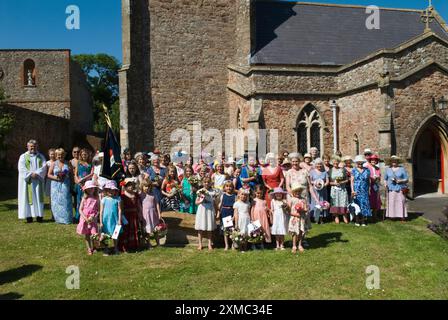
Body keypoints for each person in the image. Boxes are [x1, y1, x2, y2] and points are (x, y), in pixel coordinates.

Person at [18, 140, 47, 223]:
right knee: (27, 198)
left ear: (37, 146)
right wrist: (30, 174)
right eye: (31, 146)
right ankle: (29, 217)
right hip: (28, 182)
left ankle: (39, 216)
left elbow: (44, 167)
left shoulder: (41, 156)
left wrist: (37, 173)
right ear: (27, 147)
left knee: (38, 197)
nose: (32, 148)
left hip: (38, 180)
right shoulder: (23, 156)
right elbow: (21, 168)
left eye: (34, 146)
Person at [48, 148, 73, 224]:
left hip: (65, 184)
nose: (60, 156)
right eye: (58, 155)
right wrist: (56, 178)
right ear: (56, 155)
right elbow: (49, 174)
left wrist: (72, 183)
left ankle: (66, 219)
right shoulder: (53, 163)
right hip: (55, 185)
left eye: (62, 154)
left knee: (66, 200)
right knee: (56, 201)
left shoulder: (68, 163)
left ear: (64, 155)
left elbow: (71, 174)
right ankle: (58, 219)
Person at [99, 181, 124, 255]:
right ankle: (106, 249)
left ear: (115, 191)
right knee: (105, 235)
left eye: (112, 190)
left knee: (115, 235)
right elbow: (101, 211)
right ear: (106, 190)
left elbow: (119, 210)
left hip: (115, 220)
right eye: (109, 190)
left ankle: (115, 248)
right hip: (106, 220)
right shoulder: (104, 199)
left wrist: (119, 220)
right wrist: (100, 222)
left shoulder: (117, 199)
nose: (111, 191)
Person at [76, 181, 100, 255]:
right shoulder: (84, 198)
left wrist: (95, 217)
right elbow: (80, 209)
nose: (90, 190)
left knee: (94, 234)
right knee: (87, 234)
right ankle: (89, 248)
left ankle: (94, 247)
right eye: (89, 188)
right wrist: (85, 218)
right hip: (85, 219)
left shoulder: (96, 198)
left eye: (92, 188)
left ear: (94, 189)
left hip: (93, 219)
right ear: (86, 189)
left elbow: (98, 210)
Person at [195, 176, 218, 251]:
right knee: (200, 228)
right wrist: (200, 201)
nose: (206, 183)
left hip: (209, 210)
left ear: (210, 183)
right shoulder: (200, 191)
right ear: (202, 183)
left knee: (209, 228)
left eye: (208, 182)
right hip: (202, 210)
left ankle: (209, 244)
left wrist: (216, 212)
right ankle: (200, 244)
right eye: (205, 182)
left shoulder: (213, 191)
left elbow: (214, 203)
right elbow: (196, 202)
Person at [120, 179, 142, 252]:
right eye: (128, 185)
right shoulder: (123, 195)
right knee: (126, 230)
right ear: (125, 186)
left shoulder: (135, 194)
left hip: (134, 215)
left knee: (135, 229)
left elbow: (138, 205)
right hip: (126, 216)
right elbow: (121, 207)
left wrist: (140, 214)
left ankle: (135, 246)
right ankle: (125, 247)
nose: (130, 187)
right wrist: (122, 216)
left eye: (131, 185)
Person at [384, 155, 409, 221]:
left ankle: (402, 216)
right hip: (391, 189)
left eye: (395, 160)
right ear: (390, 162)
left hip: (400, 188)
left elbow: (406, 179)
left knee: (401, 202)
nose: (394, 162)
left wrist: (400, 180)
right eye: (392, 160)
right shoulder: (388, 169)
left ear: (398, 161)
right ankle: (392, 216)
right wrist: (385, 184)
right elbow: (385, 179)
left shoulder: (402, 169)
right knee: (392, 202)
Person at [351, 155, 372, 226]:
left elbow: (369, 181)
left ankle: (363, 220)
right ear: (356, 163)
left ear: (363, 162)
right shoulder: (353, 170)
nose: (359, 164)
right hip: (356, 190)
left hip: (364, 190)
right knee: (357, 205)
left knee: (364, 205)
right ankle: (357, 220)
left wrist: (369, 189)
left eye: (361, 163)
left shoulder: (367, 170)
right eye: (358, 163)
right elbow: (352, 181)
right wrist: (352, 190)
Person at [140, 178, 161, 248]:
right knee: (147, 231)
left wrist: (159, 214)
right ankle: (148, 244)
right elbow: (139, 205)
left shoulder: (153, 194)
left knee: (156, 230)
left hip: (153, 214)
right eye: (145, 186)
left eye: (148, 186)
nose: (147, 188)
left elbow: (157, 204)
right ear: (142, 186)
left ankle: (158, 243)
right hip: (145, 215)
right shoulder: (140, 195)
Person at [74, 149, 94, 222]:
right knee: (79, 200)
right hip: (80, 184)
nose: (84, 156)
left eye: (85, 154)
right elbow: (75, 174)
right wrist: (78, 181)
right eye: (82, 154)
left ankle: (86, 215)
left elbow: (92, 174)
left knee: (86, 199)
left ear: (88, 155)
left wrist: (83, 179)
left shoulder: (91, 163)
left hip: (87, 184)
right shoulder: (78, 163)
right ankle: (78, 216)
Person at [329, 155, 349, 224]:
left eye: (337, 162)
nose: (335, 163)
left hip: (342, 189)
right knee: (335, 202)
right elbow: (328, 182)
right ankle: (336, 216)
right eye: (334, 162)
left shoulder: (342, 170)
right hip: (334, 189)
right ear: (332, 162)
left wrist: (341, 182)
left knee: (343, 202)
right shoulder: (330, 171)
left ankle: (344, 216)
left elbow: (347, 180)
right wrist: (334, 184)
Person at [288, 184, 308, 253]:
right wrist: (295, 214)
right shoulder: (291, 200)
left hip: (301, 218)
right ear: (293, 192)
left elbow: (306, 209)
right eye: (296, 192)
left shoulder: (303, 199)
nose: (297, 193)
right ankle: (294, 245)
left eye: (299, 191)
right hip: (294, 218)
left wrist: (302, 210)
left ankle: (300, 245)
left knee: (300, 232)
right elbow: (288, 211)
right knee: (294, 232)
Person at [217, 181, 236, 250]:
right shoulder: (223, 195)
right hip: (225, 213)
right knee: (225, 230)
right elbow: (220, 205)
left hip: (231, 212)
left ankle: (233, 244)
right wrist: (218, 213)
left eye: (230, 186)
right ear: (224, 188)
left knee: (232, 230)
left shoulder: (234, 196)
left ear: (233, 188)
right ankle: (226, 245)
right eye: (227, 186)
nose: (229, 188)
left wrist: (234, 216)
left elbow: (236, 207)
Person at [309, 158, 329, 224]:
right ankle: (315, 218)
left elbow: (327, 181)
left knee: (322, 203)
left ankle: (321, 218)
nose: (319, 166)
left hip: (323, 191)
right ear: (315, 165)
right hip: (315, 190)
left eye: (320, 164)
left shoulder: (324, 172)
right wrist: (315, 183)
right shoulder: (312, 172)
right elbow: (310, 181)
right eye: (317, 164)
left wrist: (323, 185)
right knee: (315, 203)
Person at [366, 154, 382, 220]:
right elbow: (365, 176)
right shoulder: (367, 167)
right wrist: (371, 178)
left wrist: (378, 178)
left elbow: (380, 177)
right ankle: (368, 216)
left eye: (375, 160)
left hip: (375, 186)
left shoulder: (378, 169)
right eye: (372, 160)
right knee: (369, 200)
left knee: (376, 200)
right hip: (369, 186)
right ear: (370, 160)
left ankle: (374, 215)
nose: (374, 161)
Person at [45, 148, 56, 219]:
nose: (52, 155)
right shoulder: (47, 163)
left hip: (56, 181)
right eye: (51, 154)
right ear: (49, 155)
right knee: (51, 199)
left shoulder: (57, 162)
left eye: (54, 154)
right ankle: (52, 214)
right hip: (49, 181)